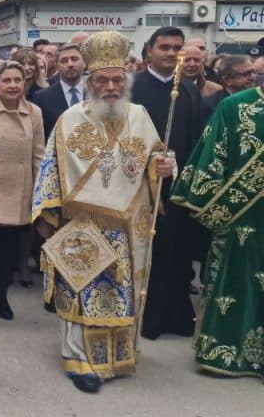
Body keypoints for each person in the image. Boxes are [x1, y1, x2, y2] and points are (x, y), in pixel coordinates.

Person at [32, 30, 176, 394]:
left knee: (122, 292)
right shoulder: (69, 119)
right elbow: (50, 168)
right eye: (102, 80)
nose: (110, 86)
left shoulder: (140, 116)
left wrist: (163, 169)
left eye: (116, 79)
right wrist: (47, 217)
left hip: (130, 225)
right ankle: (79, 360)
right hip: (84, 224)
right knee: (82, 293)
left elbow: (157, 157)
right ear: (90, 82)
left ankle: (116, 357)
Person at [171, 31, 264, 388]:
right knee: (238, 284)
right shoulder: (236, 107)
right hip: (241, 221)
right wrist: (211, 209)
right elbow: (210, 159)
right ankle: (226, 351)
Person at [130, 27, 204, 340]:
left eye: (177, 48)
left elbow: (196, 138)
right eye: (165, 47)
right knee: (150, 252)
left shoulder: (187, 89)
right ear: (149, 50)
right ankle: (149, 317)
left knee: (177, 250)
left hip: (178, 184)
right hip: (141, 187)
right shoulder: (132, 88)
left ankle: (175, 312)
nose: (172, 53)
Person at [0, 61, 44, 327]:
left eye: (17, 80)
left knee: (9, 251)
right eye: (7, 80)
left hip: (20, 190)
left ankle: (2, 297)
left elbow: (39, 154)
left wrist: (39, 194)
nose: (13, 85)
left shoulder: (34, 112)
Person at [31, 44, 87, 141]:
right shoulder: (41, 98)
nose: (70, 64)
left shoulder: (97, 93)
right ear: (57, 66)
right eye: (64, 61)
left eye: (74, 59)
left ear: (84, 62)